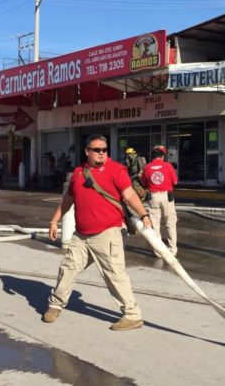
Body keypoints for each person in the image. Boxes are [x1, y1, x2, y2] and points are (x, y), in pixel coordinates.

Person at [43, 134, 152, 330]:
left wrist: (144, 214)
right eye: (97, 150)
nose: (102, 153)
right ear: (87, 151)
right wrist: (54, 221)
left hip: (108, 232)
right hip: (81, 235)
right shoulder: (78, 173)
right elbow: (68, 200)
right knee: (67, 269)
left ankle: (132, 315)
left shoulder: (116, 169)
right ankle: (55, 305)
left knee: (114, 274)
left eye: (104, 150)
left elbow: (129, 195)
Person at [141, 145, 179, 257]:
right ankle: (172, 250)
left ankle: (158, 252)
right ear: (163, 156)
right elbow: (175, 182)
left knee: (155, 225)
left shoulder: (147, 167)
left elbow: (144, 183)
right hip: (167, 196)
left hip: (153, 197)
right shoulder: (168, 166)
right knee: (170, 223)